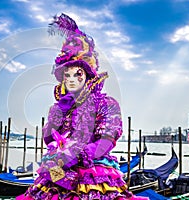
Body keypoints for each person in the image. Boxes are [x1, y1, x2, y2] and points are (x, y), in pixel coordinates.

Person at [17, 13, 148, 200]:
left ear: (87, 75)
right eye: (67, 75)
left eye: (77, 74)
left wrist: (79, 154)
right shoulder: (59, 107)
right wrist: (58, 114)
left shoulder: (106, 104)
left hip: (93, 172)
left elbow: (108, 138)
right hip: (58, 172)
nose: (71, 80)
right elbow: (48, 138)